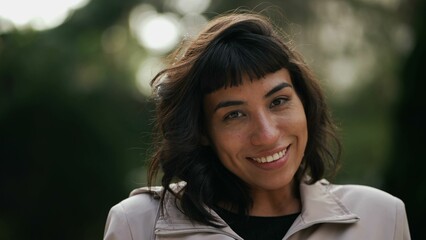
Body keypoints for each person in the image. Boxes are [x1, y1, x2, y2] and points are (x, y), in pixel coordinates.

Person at [103, 12, 411, 240]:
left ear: (304, 102)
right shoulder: (138, 225)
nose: (267, 134)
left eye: (278, 102)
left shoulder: (381, 217)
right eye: (234, 115)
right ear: (201, 132)